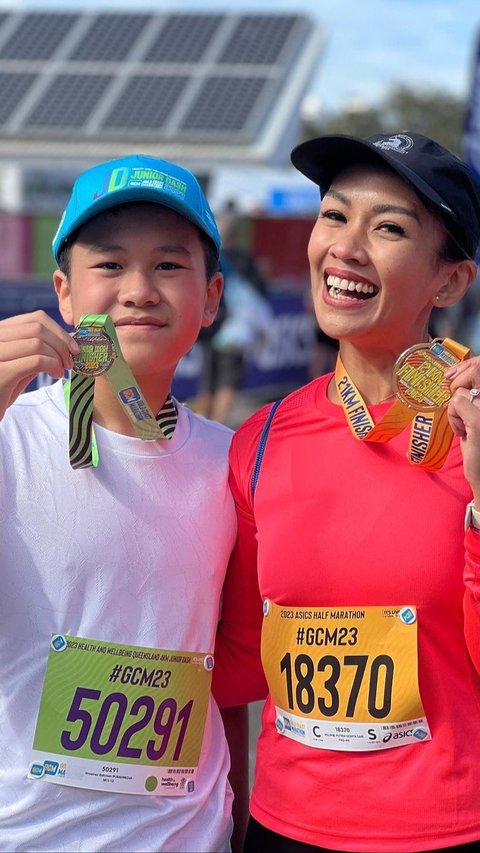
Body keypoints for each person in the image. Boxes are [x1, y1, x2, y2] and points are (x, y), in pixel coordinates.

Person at [213, 132, 480, 852]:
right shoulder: (259, 439)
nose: (347, 246)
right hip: (283, 828)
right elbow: (237, 662)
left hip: (446, 831)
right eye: (334, 215)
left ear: (450, 282)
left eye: (388, 227)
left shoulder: (475, 428)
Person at [0, 154, 245, 852]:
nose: (139, 290)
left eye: (169, 266)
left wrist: (243, 813)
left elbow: (221, 667)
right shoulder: (12, 435)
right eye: (109, 265)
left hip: (194, 836)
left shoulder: (236, 461)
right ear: (64, 292)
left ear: (212, 296)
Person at [194, 206, 271, 426]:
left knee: (207, 381)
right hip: (235, 332)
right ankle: (216, 427)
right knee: (228, 381)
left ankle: (202, 426)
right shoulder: (245, 261)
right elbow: (261, 294)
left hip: (210, 326)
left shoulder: (210, 258)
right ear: (237, 234)